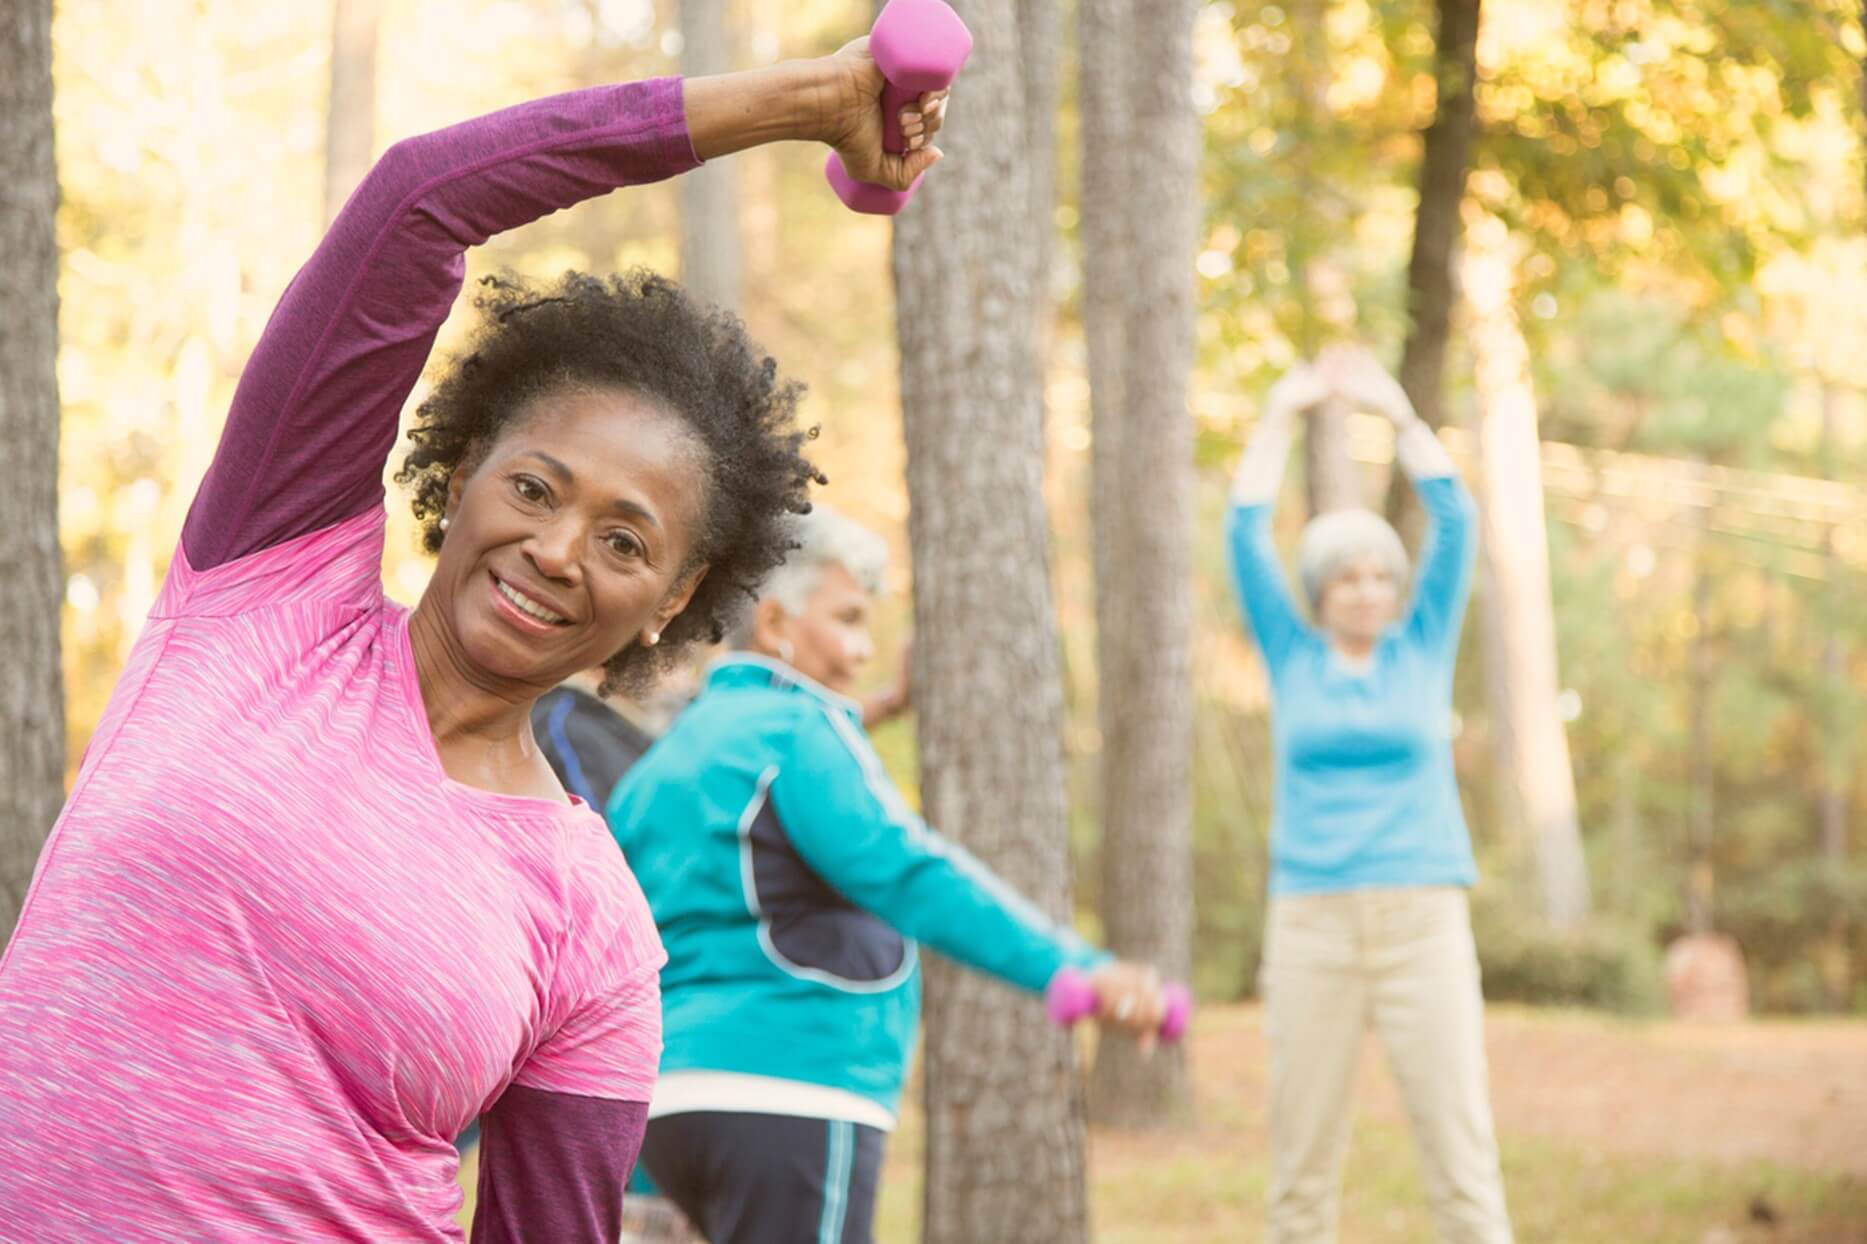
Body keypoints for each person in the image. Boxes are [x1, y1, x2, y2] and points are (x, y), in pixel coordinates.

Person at [0, 43, 951, 1243]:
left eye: (624, 540)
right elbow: (420, 200)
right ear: (461, 475)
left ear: (674, 593)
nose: (558, 550)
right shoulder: (266, 587)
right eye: (538, 486)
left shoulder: (593, 921)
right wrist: (801, 103)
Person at [610, 503, 1171, 1244]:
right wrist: (1077, 970)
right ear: (777, 626)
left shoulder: (663, 762)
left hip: (663, 1107)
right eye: (847, 620)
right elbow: (910, 875)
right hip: (794, 1090)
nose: (861, 648)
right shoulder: (801, 729)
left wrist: (874, 710)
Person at [1226, 346, 1513, 1244]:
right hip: (1311, 922)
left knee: (1459, 1155)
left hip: (1420, 918)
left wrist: (1397, 414)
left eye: (1381, 575)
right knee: (1300, 1169)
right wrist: (1281, 412)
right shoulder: (1292, 654)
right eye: (1347, 576)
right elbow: (1242, 533)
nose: (1367, 589)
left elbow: (1455, 520)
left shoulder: (1421, 645)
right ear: (1318, 592)